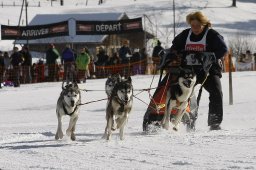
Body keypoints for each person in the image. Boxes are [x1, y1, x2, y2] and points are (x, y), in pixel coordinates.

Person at [143, 11, 228, 131]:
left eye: (198, 26)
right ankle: (156, 115)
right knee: (166, 86)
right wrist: (175, 54)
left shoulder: (212, 35)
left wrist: (209, 56)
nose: (195, 28)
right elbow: (175, 47)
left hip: (207, 70)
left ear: (204, 24)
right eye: (193, 25)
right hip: (186, 71)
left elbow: (223, 49)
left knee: (216, 92)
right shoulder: (186, 34)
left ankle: (215, 122)